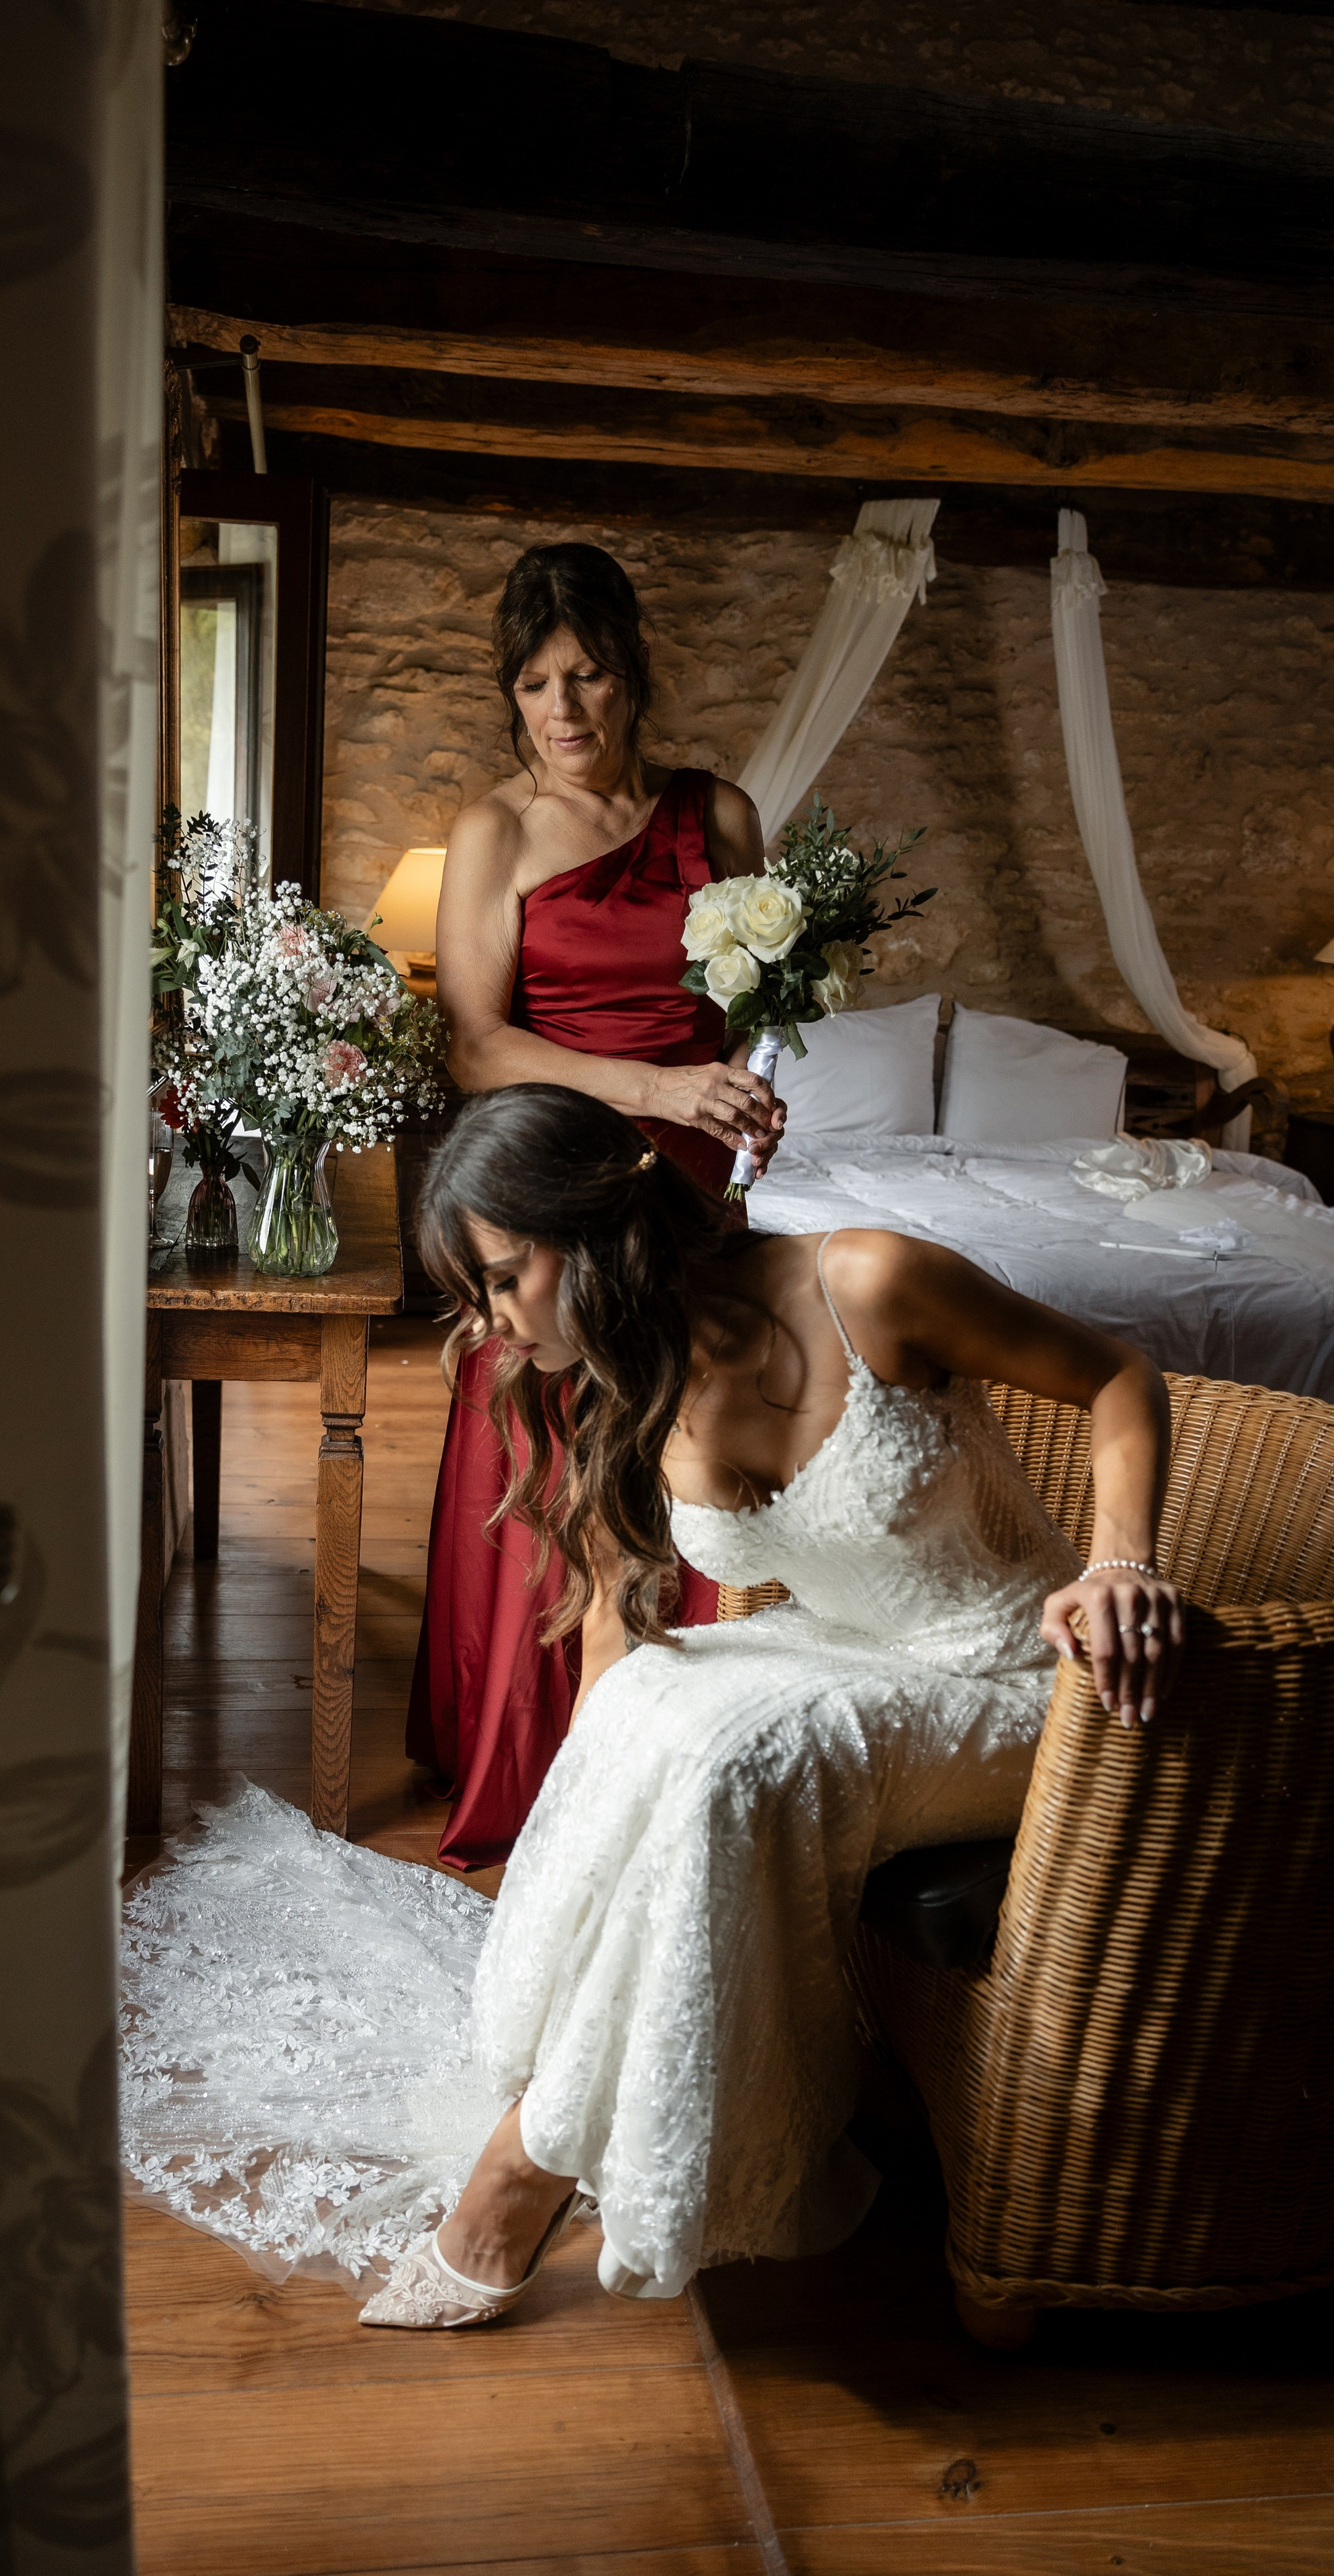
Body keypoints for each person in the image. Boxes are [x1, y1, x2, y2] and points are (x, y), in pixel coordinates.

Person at [119, 1087, 1186, 2325]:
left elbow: (1120, 1377)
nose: (490, 1322)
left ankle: (524, 2171)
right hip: (848, 1653)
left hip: (1016, 1677)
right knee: (652, 1718)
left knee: (732, 1757)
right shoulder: (626, 1376)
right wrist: (590, 1828)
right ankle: (566, 2107)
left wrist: (1120, 1562)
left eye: (504, 1278)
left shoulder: (874, 1280)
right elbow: (619, 1645)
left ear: (598, 1224)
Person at [409, 540, 786, 1870]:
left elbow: (753, 1021)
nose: (563, 712)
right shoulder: (494, 831)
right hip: (550, 1187)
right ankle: (542, 1762)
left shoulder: (718, 817)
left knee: (683, 1455)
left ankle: (676, 1766)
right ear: (509, 699)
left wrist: (739, 1094)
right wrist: (657, 1086)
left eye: (587, 678)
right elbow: (472, 1045)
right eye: (533, 686)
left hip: (683, 1195)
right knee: (561, 1464)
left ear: (632, 675)